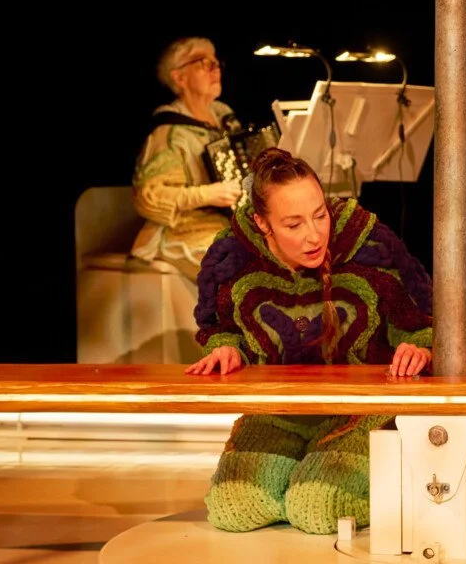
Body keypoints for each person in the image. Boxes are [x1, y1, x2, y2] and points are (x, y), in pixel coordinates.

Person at [185, 147, 434, 534]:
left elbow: (423, 321)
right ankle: (301, 471)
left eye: (320, 215)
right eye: (293, 224)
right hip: (278, 410)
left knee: (318, 507)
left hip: (362, 410)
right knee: (234, 508)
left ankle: (357, 475)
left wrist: (420, 346)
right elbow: (218, 326)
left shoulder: (370, 245)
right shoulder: (232, 255)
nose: (314, 235)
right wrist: (225, 347)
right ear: (262, 223)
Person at [130, 36, 245, 282]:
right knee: (243, 269)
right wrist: (207, 194)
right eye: (204, 63)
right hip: (183, 232)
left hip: (230, 226)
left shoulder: (226, 120)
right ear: (179, 78)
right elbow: (148, 197)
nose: (215, 69)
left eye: (216, 62)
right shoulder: (171, 132)